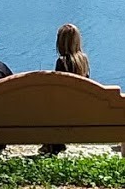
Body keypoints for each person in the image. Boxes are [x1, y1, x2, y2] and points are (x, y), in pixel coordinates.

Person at [40, 23, 90, 155]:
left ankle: (52, 144)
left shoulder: (62, 62)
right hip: (81, 107)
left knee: (48, 108)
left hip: (65, 109)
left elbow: (59, 88)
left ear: (60, 42)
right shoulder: (84, 61)